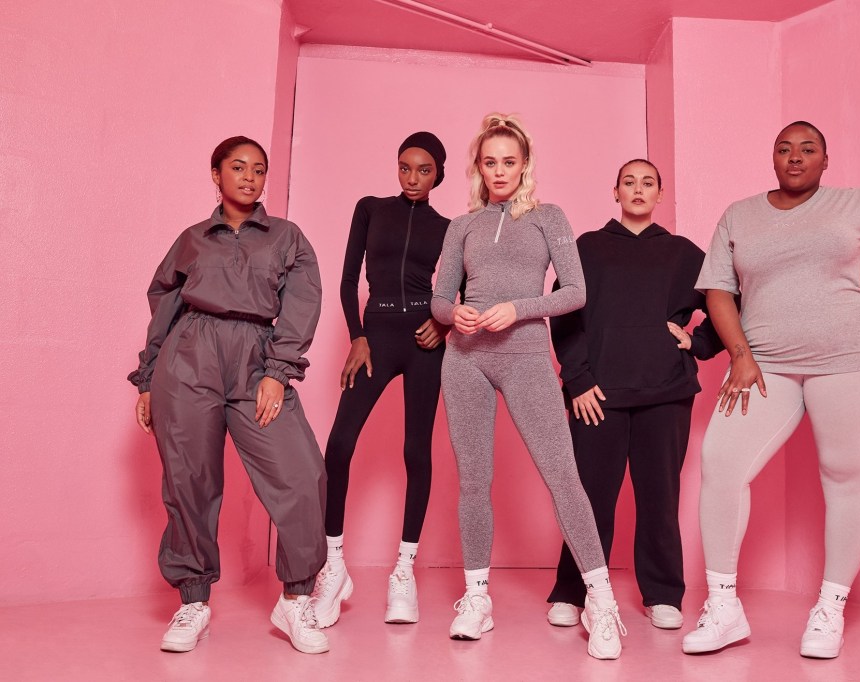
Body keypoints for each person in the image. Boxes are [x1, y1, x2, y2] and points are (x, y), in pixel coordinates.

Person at [682, 121, 860, 659]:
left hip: (854, 358)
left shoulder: (856, 204)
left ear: (825, 161)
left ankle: (830, 608)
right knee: (721, 463)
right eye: (784, 149)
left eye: (808, 149)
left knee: (845, 474)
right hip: (767, 363)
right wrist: (739, 355)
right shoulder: (740, 214)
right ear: (773, 158)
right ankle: (724, 607)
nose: (795, 157)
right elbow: (718, 288)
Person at [430, 113, 626, 660]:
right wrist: (456, 314)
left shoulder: (549, 217)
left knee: (563, 474)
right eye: (489, 162)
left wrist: (518, 308)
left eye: (508, 162)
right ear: (478, 166)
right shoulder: (461, 225)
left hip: (524, 357)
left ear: (525, 165)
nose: (499, 171)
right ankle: (476, 598)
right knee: (474, 480)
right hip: (464, 358)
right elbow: (440, 298)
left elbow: (576, 292)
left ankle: (602, 602)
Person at [129, 136, 329, 655]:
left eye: (258, 169)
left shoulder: (287, 237)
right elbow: (164, 307)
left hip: (258, 360)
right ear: (215, 175)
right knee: (188, 479)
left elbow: (304, 303)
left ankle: (297, 598)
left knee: (300, 472)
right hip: (189, 356)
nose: (249, 177)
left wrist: (278, 369)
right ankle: (193, 601)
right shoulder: (192, 239)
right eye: (237, 167)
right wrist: (149, 377)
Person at [545, 159, 722, 631]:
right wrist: (577, 380)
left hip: (666, 392)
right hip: (597, 395)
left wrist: (698, 342)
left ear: (660, 194)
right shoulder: (587, 248)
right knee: (588, 498)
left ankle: (663, 592)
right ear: (615, 192)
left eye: (648, 183)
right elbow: (562, 316)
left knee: (660, 497)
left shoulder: (684, 254)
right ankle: (574, 590)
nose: (638, 189)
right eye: (629, 182)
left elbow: (728, 302)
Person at [312, 132, 451, 627]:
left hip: (423, 343)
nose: (413, 178)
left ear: (439, 174)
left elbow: (459, 285)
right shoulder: (370, 209)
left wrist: (445, 321)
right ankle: (332, 564)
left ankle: (403, 571)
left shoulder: (449, 227)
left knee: (417, 452)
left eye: (424, 170)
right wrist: (358, 334)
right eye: (405, 167)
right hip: (376, 335)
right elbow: (349, 278)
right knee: (339, 445)